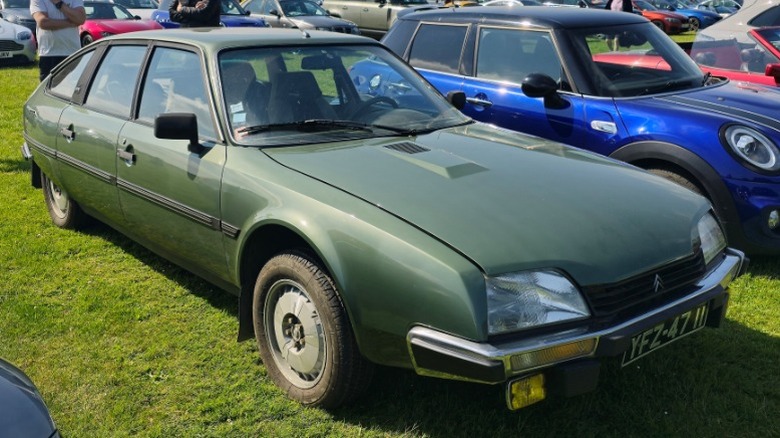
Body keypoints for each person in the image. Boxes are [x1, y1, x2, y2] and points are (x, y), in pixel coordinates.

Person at [30, 0, 85, 81]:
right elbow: (43, 22)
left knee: (72, 90)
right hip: (49, 54)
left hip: (73, 53)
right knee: (49, 90)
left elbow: (80, 18)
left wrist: (59, 3)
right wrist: (71, 23)